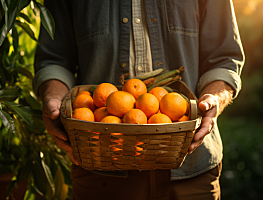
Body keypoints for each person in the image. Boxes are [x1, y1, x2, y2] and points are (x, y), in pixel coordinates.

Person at [33, 0, 244, 199]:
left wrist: (214, 98)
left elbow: (225, 58)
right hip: (101, 169)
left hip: (191, 167)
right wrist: (53, 98)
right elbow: (54, 59)